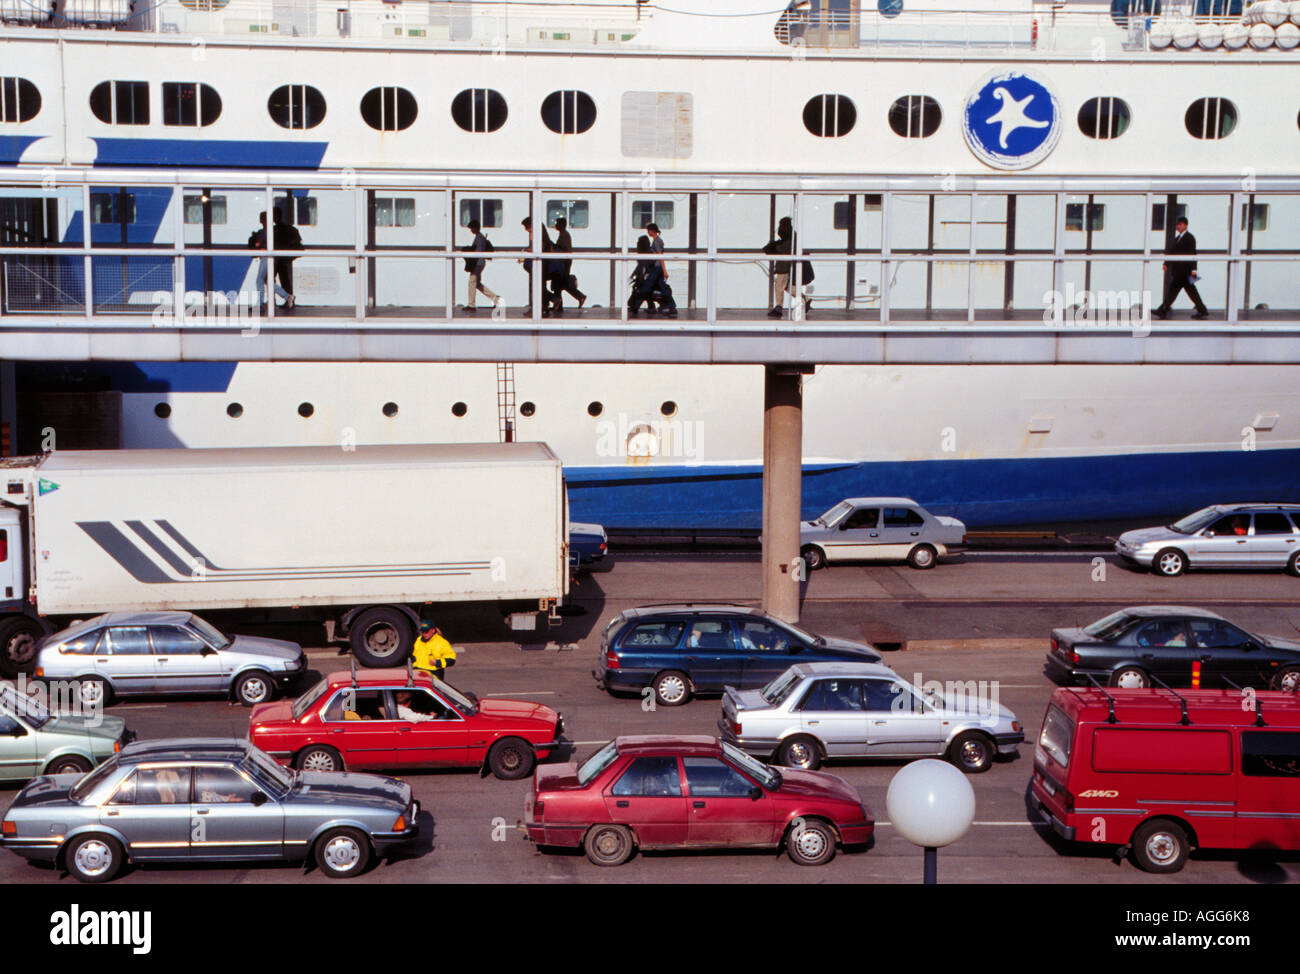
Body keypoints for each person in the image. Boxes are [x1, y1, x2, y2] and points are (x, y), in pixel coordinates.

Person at [1154, 216, 1208, 320]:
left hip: (1185, 271)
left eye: (1179, 224)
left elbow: (1193, 254)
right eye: (1177, 224)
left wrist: (1194, 269)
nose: (1177, 226)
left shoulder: (1190, 238)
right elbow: (1172, 253)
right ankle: (1202, 310)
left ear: (1185, 225)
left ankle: (1163, 309)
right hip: (1179, 271)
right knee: (1189, 291)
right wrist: (1166, 263)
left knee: (1174, 291)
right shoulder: (1177, 238)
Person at [763, 216, 813, 318]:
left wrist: (774, 246)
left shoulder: (790, 238)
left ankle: (778, 308)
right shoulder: (791, 236)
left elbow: (782, 249)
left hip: (785, 267)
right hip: (786, 266)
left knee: (779, 287)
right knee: (787, 287)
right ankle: (805, 299)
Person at [248, 214, 292, 309]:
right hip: (273, 257)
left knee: (259, 279)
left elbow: (257, 244)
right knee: (267, 280)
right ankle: (287, 296)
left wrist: (256, 242)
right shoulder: (273, 230)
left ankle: (260, 303)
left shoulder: (265, 231)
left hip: (266, 257)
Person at [628, 234, 676, 317]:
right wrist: (633, 275)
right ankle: (650, 306)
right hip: (653, 276)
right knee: (645, 289)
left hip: (654, 275)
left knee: (645, 289)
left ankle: (636, 307)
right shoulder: (643, 254)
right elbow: (640, 266)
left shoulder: (649, 253)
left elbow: (647, 266)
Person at [549, 216, 586, 313]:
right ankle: (562, 304)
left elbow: (564, 249)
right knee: (561, 284)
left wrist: (554, 245)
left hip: (564, 262)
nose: (555, 225)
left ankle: (578, 297)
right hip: (563, 262)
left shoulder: (565, 235)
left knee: (560, 283)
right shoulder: (563, 234)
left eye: (557, 223)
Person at [462, 219, 499, 312]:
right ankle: (496, 299)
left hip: (478, 263)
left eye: (471, 228)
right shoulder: (480, 237)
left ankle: (471, 305)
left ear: (475, 228)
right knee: (477, 284)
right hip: (480, 263)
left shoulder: (479, 238)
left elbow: (478, 252)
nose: (471, 230)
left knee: (472, 282)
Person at [272, 207, 303, 306]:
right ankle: (289, 299)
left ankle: (286, 298)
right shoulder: (289, 228)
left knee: (269, 279)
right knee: (284, 279)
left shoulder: (276, 229)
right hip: (284, 257)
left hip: (278, 257)